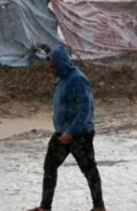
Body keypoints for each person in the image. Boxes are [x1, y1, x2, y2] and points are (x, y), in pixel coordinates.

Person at [29, 45, 105, 211]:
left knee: (89, 169)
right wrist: (63, 130)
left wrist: (72, 131)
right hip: (61, 133)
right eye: (50, 67)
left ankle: (99, 206)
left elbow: (86, 109)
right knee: (49, 166)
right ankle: (45, 206)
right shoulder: (60, 79)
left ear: (62, 63)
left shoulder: (78, 80)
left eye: (53, 66)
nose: (51, 70)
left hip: (80, 134)